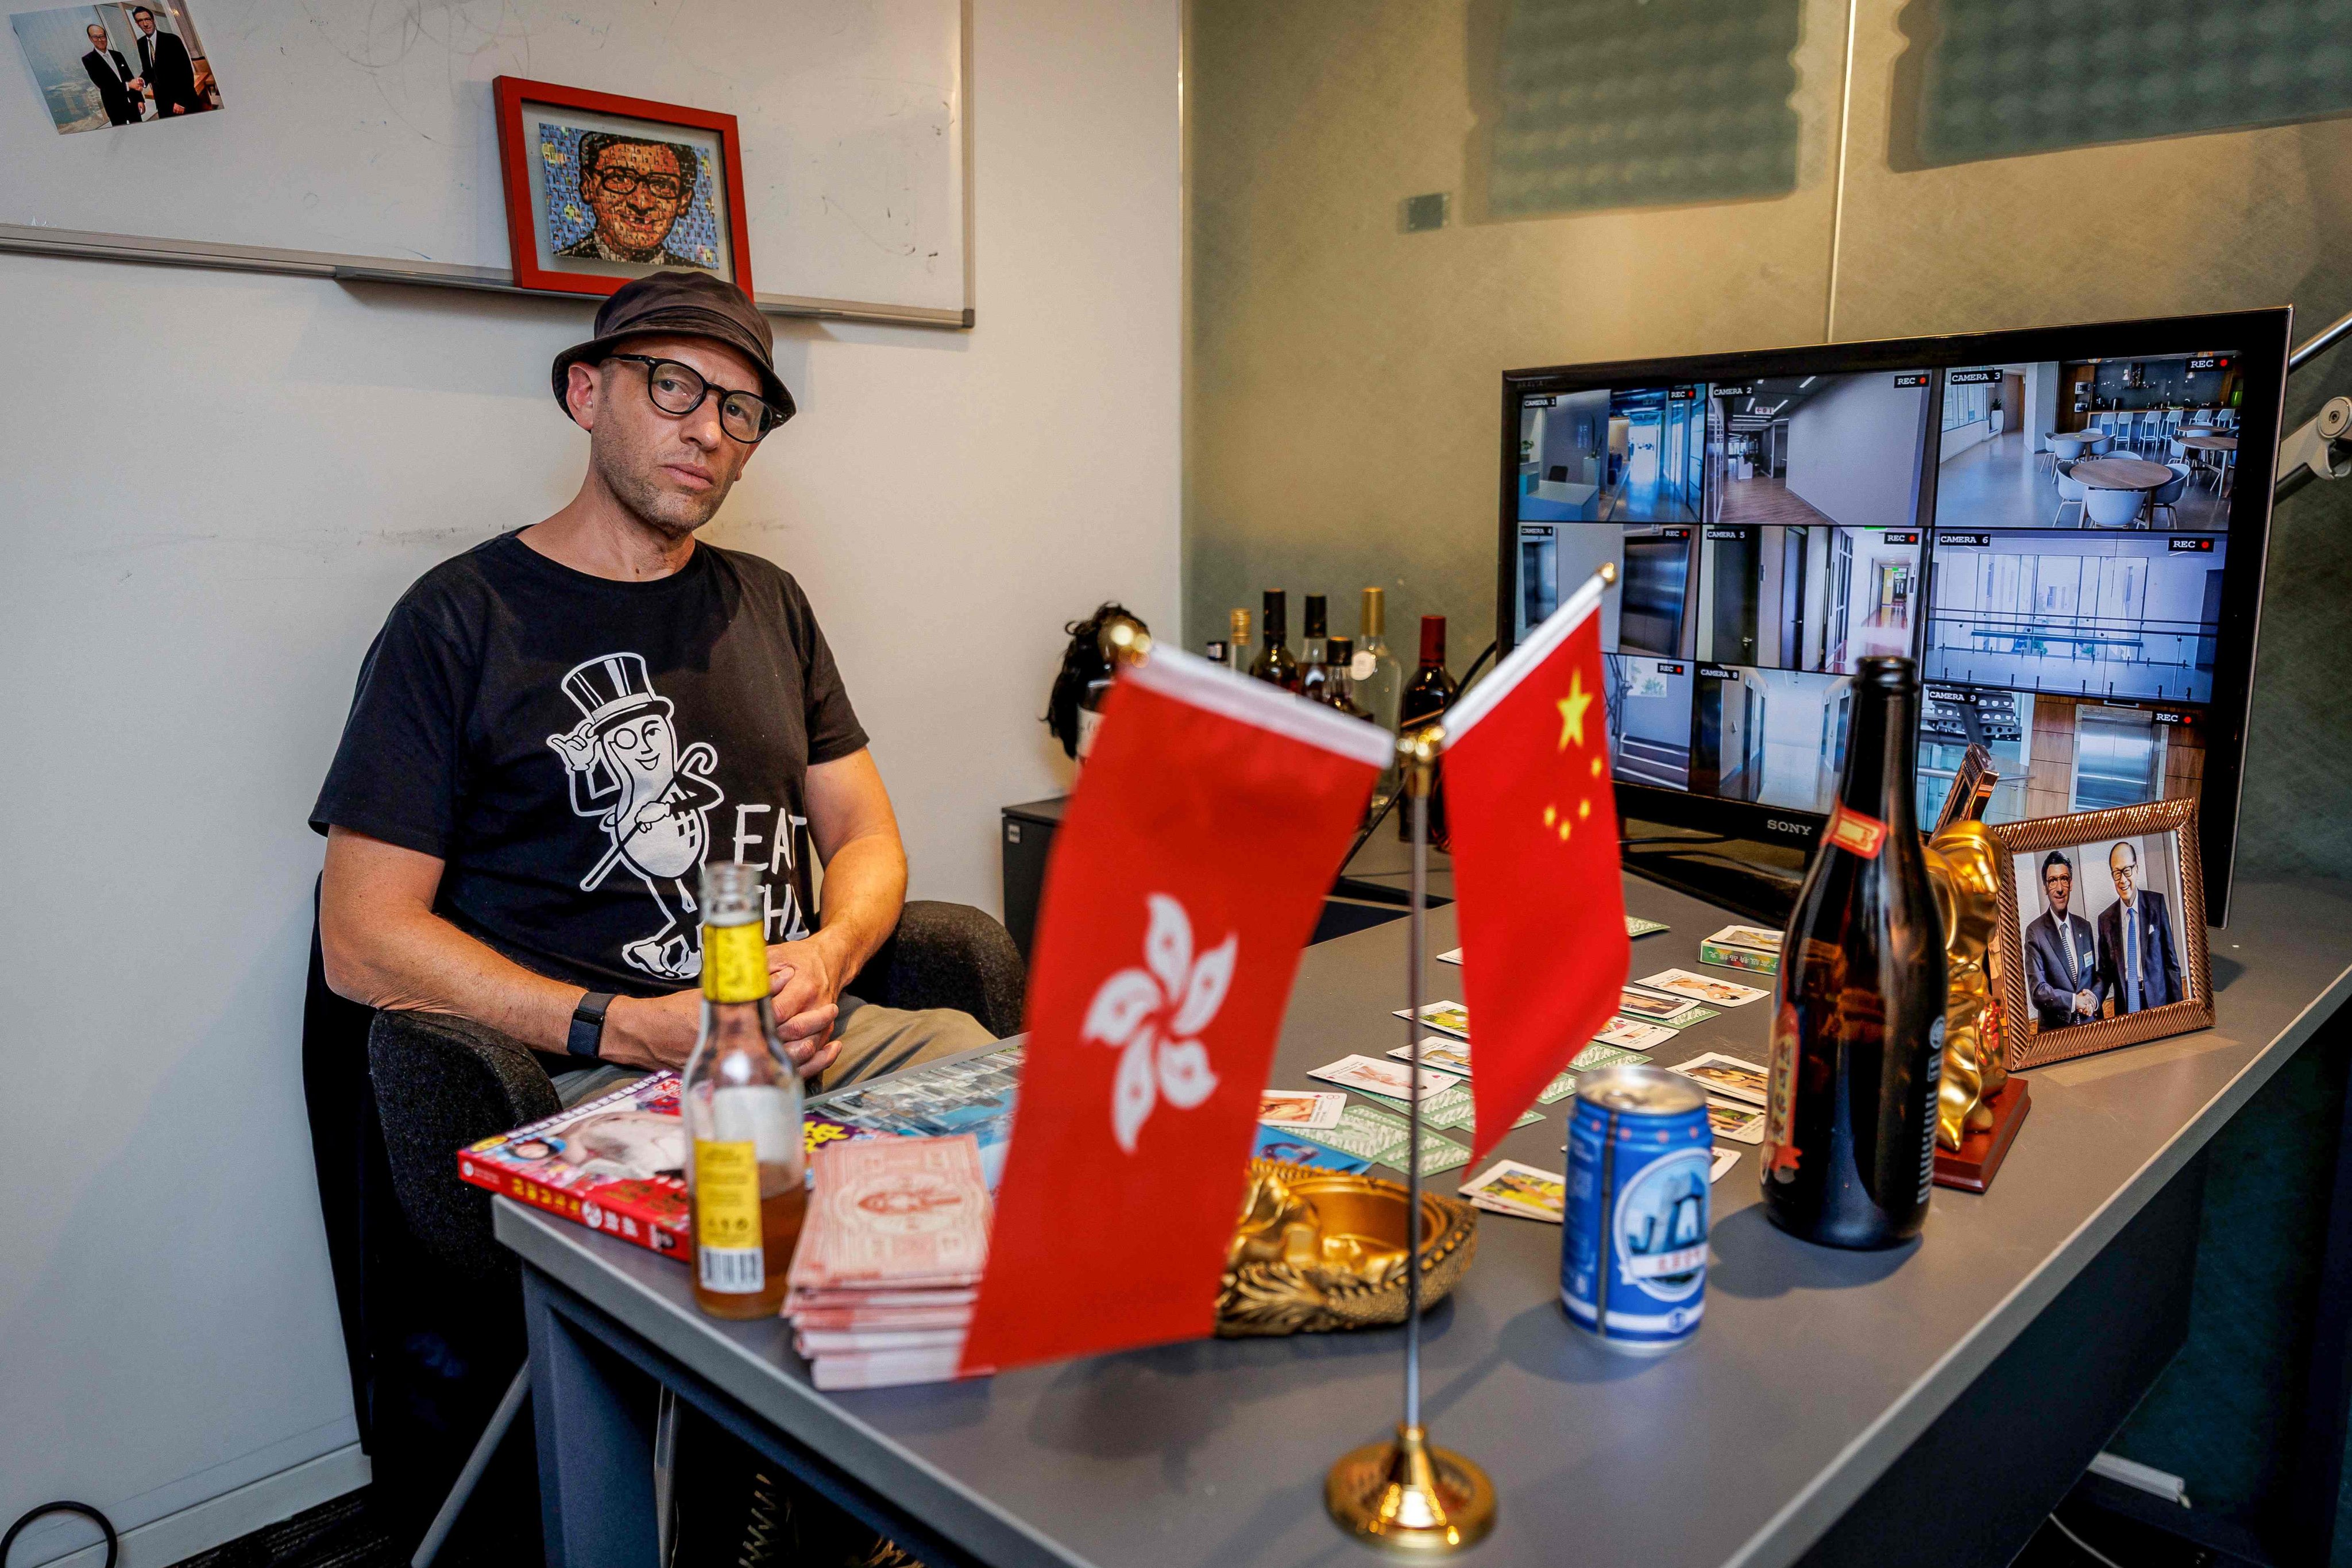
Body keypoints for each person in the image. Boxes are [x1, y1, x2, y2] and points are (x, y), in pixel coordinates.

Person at [312, 270, 995, 1112]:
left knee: (1017, 1108)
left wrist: (829, 953)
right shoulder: (458, 621)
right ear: (587, 392)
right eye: (674, 386)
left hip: (803, 1043)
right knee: (757, 1216)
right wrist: (629, 1026)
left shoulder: (768, 601)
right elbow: (361, 936)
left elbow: (864, 833)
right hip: (592, 1074)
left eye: (740, 411)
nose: (708, 431)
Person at [558, 134, 709, 268]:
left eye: (661, 185)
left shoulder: (701, 287)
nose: (641, 203)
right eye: (620, 179)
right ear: (588, 186)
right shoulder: (562, 265)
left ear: (683, 201)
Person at [2095, 841, 2183, 1016]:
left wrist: (2180, 1011)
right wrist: (2093, 997)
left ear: (2136, 869)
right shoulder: (2105, 920)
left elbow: (2171, 963)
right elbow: (2105, 973)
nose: (2122, 880)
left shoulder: (2156, 904)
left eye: (2127, 871)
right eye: (2116, 873)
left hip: (2159, 1003)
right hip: (2126, 1007)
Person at [2023, 849, 2101, 1030]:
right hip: (2057, 1036)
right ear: (2045, 887)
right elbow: (2038, 991)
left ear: (2071, 883)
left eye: (2064, 879)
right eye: (2053, 881)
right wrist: (2075, 1002)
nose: (2059, 888)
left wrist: (2093, 999)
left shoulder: (2085, 927)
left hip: (2092, 1029)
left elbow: (2093, 977)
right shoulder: (2035, 933)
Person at [130, 7, 204, 116]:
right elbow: (149, 70)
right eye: (141, 21)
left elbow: (186, 73)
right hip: (162, 103)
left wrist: (181, 102)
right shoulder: (141, 43)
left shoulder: (172, 40)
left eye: (147, 19)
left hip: (182, 101)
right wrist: (142, 80)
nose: (145, 24)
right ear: (137, 24)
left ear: (153, 20)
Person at [80, 24, 144, 126]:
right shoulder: (89, 60)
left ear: (106, 37)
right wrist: (128, 86)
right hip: (115, 108)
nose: (100, 40)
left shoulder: (117, 55)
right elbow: (104, 85)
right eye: (96, 37)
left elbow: (129, 77)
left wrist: (139, 100)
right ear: (90, 39)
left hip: (132, 104)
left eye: (102, 36)